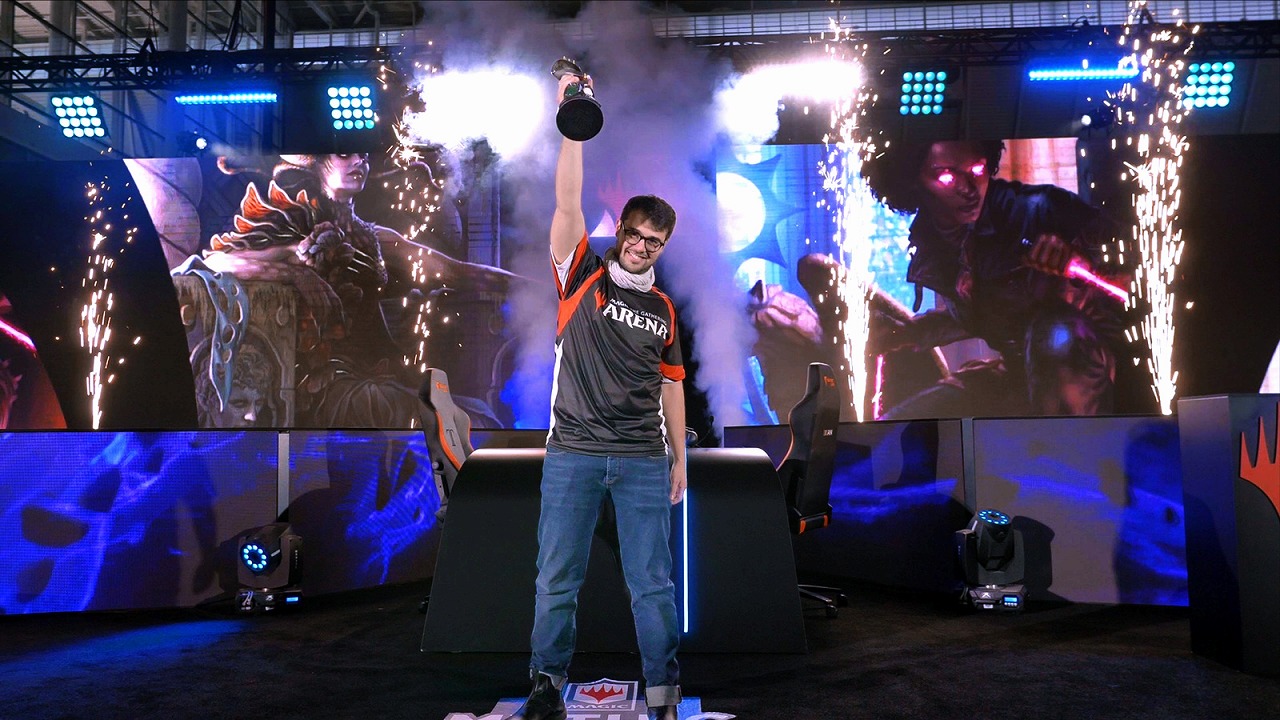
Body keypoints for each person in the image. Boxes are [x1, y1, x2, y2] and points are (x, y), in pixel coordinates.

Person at [507, 72, 686, 720]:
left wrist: (679, 458)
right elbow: (567, 202)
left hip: (642, 459)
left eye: (653, 241)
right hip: (574, 455)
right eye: (634, 234)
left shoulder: (664, 308)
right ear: (622, 231)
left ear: (662, 247)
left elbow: (671, 386)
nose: (640, 246)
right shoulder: (582, 273)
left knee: (653, 586)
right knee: (557, 580)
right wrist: (574, 124)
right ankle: (545, 686)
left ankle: (663, 695)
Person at [194, 153, 517, 428]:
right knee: (451, 421)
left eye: (363, 156)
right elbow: (216, 262)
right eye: (345, 154)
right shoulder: (297, 223)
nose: (358, 162)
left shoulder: (374, 236)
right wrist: (295, 274)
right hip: (324, 387)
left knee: (479, 415)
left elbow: (455, 272)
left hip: (376, 374)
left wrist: (536, 286)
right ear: (319, 162)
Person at [861, 139, 1128, 418]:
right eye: (947, 177)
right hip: (1017, 376)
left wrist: (1082, 263)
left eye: (977, 170)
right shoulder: (936, 240)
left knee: (1056, 335)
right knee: (903, 424)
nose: (969, 189)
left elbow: (1139, 270)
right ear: (914, 180)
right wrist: (911, 332)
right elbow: (985, 311)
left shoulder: (1039, 208)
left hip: (1089, 371)